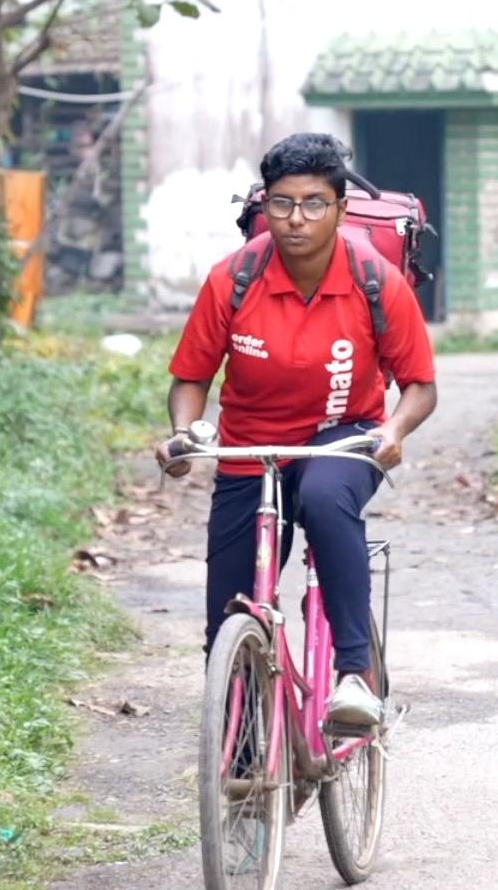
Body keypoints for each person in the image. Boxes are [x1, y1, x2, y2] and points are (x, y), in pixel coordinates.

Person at [156, 132, 438, 728]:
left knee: (323, 496)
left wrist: (393, 430)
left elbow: (420, 385)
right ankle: (244, 749)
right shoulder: (233, 279)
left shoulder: (375, 280)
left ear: (339, 209)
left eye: (314, 203)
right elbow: (191, 377)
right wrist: (184, 434)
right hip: (249, 450)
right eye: (282, 203)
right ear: (265, 207)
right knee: (228, 613)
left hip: (343, 434)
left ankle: (354, 676)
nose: (296, 220)